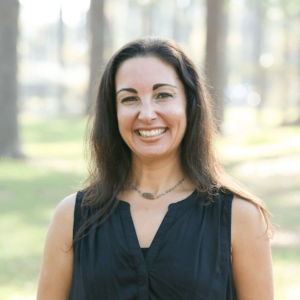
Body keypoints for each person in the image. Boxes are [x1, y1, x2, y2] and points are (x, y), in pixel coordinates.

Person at [37, 37, 274, 300]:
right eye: (129, 99)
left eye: (163, 95)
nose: (147, 114)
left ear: (189, 104)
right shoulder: (71, 217)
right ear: (112, 112)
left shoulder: (241, 217)